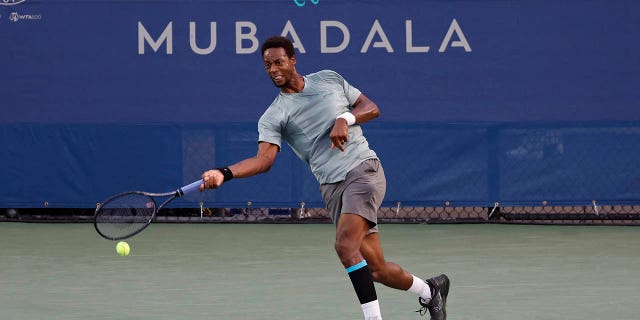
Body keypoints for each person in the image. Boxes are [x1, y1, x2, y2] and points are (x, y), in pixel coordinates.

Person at [199, 36, 450, 320]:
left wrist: (346, 119)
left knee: (344, 246)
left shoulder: (328, 79)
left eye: (279, 62)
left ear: (293, 60)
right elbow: (263, 160)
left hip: (363, 170)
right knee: (376, 269)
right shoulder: (274, 115)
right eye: (267, 65)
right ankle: (431, 291)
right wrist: (224, 172)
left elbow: (371, 107)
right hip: (332, 188)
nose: (273, 69)